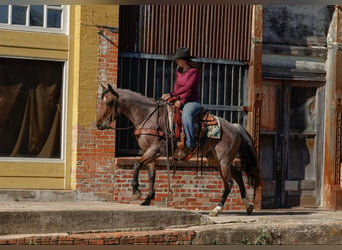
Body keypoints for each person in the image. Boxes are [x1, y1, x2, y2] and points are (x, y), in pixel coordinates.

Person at [161, 48, 202, 158]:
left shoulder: (194, 72)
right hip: (179, 98)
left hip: (192, 102)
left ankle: (190, 145)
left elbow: (188, 88)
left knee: (186, 116)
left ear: (184, 60)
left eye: (178, 59)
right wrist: (173, 98)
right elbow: (177, 86)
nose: (176, 61)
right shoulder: (179, 70)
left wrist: (177, 98)